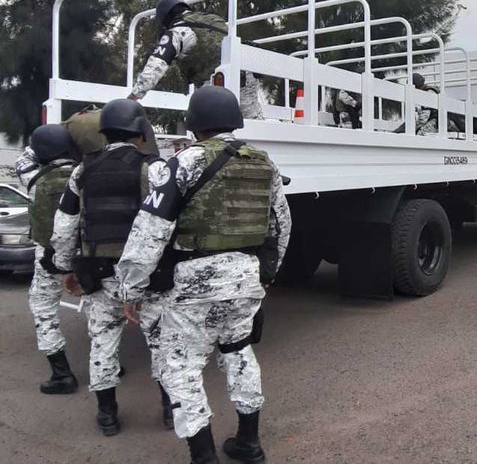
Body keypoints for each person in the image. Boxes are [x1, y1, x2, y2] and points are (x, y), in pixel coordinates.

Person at [115, 86, 291, 464]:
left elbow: (149, 230)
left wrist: (131, 290)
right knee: (239, 354)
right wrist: (267, 274)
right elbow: (281, 225)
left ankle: (203, 456)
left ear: (193, 123)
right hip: (245, 279)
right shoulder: (265, 164)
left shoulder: (180, 163)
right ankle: (249, 442)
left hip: (195, 282)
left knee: (181, 368)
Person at [49, 99, 172, 435]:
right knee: (161, 344)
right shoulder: (156, 168)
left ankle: (107, 416)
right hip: (146, 277)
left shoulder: (82, 170)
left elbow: (64, 226)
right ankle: (169, 412)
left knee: (102, 345)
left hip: (99, 275)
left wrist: (65, 269)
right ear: (138, 130)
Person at [128, 0, 265, 119]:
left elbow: (155, 67)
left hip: (216, 84)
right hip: (246, 77)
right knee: (253, 125)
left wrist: (133, 97)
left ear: (165, 17)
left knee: (209, 130)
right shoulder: (212, 19)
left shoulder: (178, 31)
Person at [17, 125, 79, 394]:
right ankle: (108, 364)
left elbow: (25, 157)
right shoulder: (86, 174)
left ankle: (61, 374)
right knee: (102, 313)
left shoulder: (32, 177)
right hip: (86, 257)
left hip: (49, 259)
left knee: (44, 309)